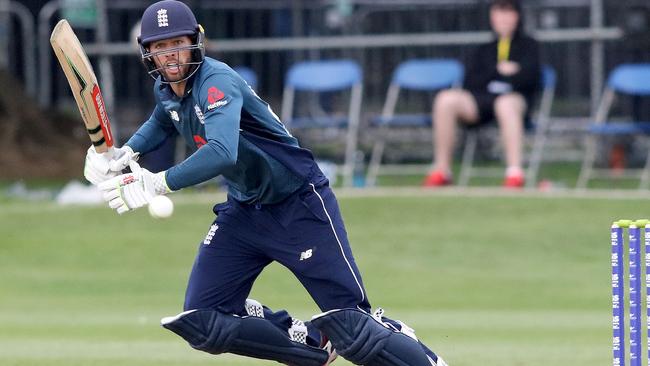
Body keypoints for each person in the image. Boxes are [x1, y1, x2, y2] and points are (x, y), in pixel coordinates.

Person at [83, 1, 448, 365]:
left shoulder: (216, 82)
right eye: (160, 47)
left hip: (298, 203)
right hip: (244, 211)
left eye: (177, 43)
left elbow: (222, 151)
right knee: (204, 321)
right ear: (148, 53)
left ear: (195, 41)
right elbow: (163, 120)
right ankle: (310, 343)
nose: (170, 55)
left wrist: (157, 183)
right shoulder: (167, 89)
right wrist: (124, 153)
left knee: (351, 328)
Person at [424, 0, 540, 188]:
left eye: (508, 12)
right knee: (445, 99)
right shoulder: (484, 50)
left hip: (513, 102)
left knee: (505, 104)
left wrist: (513, 73)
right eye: (499, 12)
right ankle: (441, 170)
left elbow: (531, 79)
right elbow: (471, 82)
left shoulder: (529, 46)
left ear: (517, 16)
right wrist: (498, 70)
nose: (503, 18)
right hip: (482, 102)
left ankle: (515, 173)